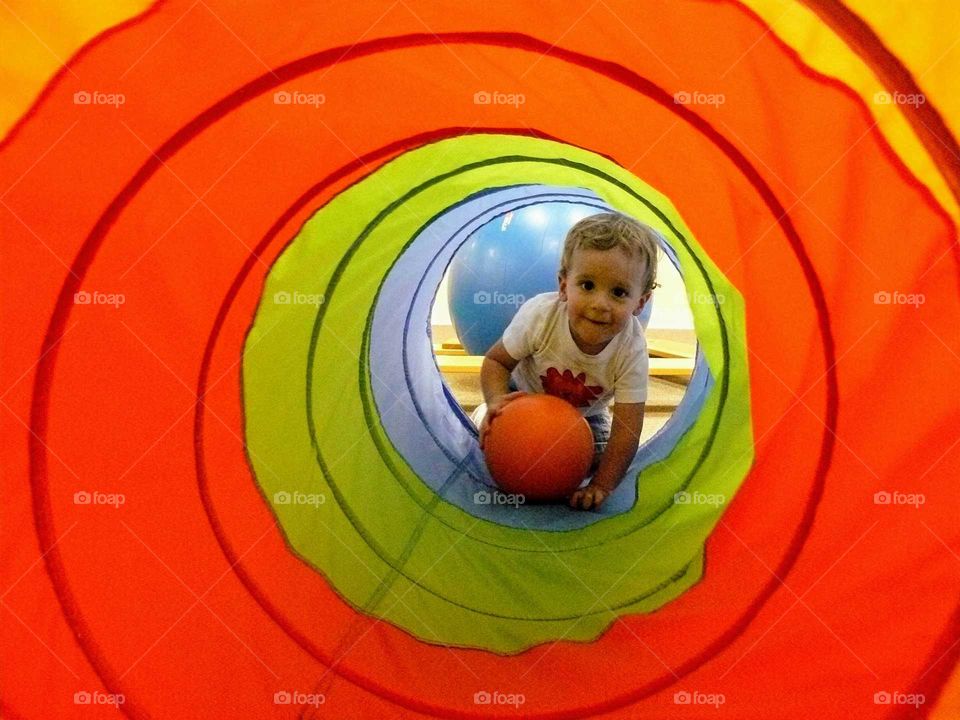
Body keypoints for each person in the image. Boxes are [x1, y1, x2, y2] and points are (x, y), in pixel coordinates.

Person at [476, 211, 659, 510]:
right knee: (494, 439)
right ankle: (482, 412)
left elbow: (627, 428)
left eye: (618, 292)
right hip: (521, 398)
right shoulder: (540, 316)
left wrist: (601, 485)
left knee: (596, 459)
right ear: (563, 286)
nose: (600, 304)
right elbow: (496, 362)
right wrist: (497, 400)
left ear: (640, 302)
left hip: (585, 417)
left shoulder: (632, 350)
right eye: (587, 285)